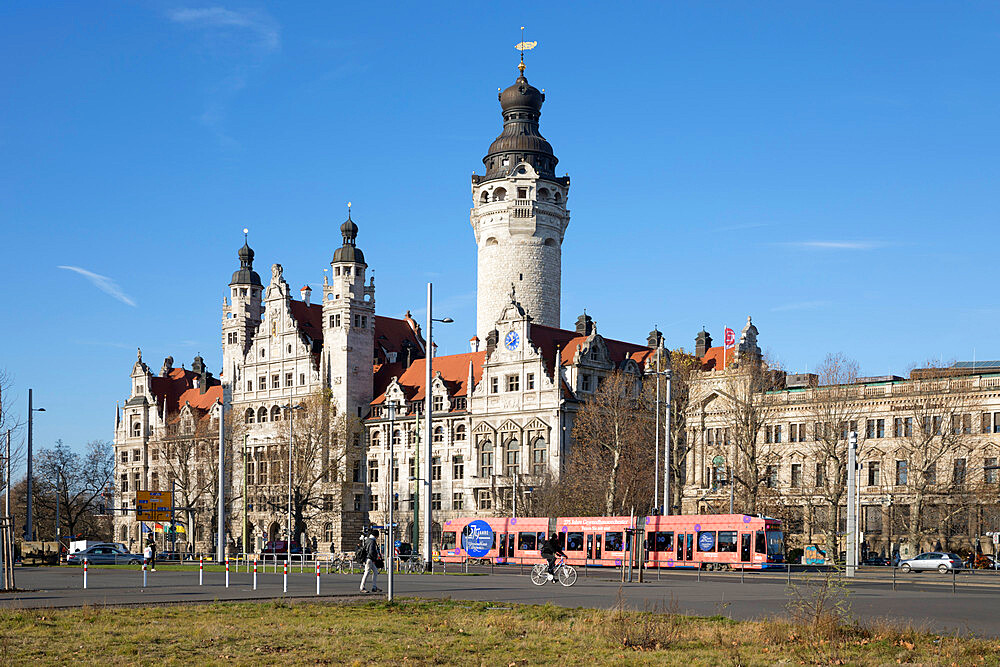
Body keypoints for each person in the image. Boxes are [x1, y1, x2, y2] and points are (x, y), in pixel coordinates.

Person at [359, 528, 382, 594]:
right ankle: (362, 587)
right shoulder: (372, 541)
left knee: (375, 572)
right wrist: (374, 559)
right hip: (370, 559)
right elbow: (371, 551)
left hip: (368, 558)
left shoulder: (368, 540)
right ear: (376, 536)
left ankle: (374, 587)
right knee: (367, 573)